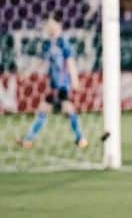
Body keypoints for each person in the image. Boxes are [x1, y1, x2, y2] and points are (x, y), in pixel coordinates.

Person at [16, 14, 87, 149]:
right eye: (48, 24)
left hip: (63, 85)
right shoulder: (48, 44)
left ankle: (81, 138)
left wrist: (75, 81)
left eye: (51, 24)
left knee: (63, 110)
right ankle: (80, 138)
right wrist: (28, 72)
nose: (49, 26)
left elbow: (70, 63)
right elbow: (42, 61)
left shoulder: (64, 43)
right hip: (54, 85)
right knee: (52, 110)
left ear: (58, 25)